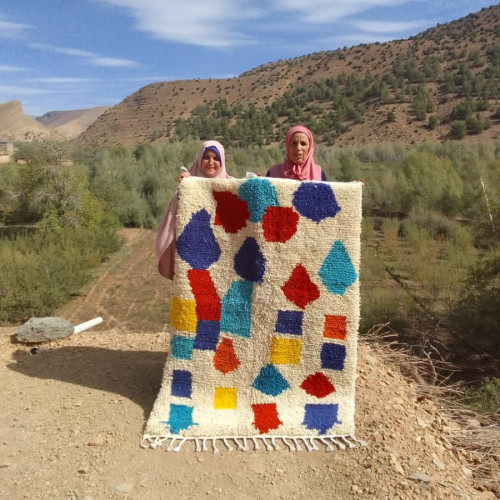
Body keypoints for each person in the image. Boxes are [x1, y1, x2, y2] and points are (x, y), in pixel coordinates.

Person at [155, 140, 232, 280]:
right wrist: (184, 187)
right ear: (199, 159)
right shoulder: (188, 184)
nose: (210, 162)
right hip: (193, 255)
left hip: (223, 257)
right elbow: (176, 214)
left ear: (222, 162)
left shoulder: (232, 185)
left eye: (216, 158)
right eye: (206, 157)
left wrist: (257, 183)